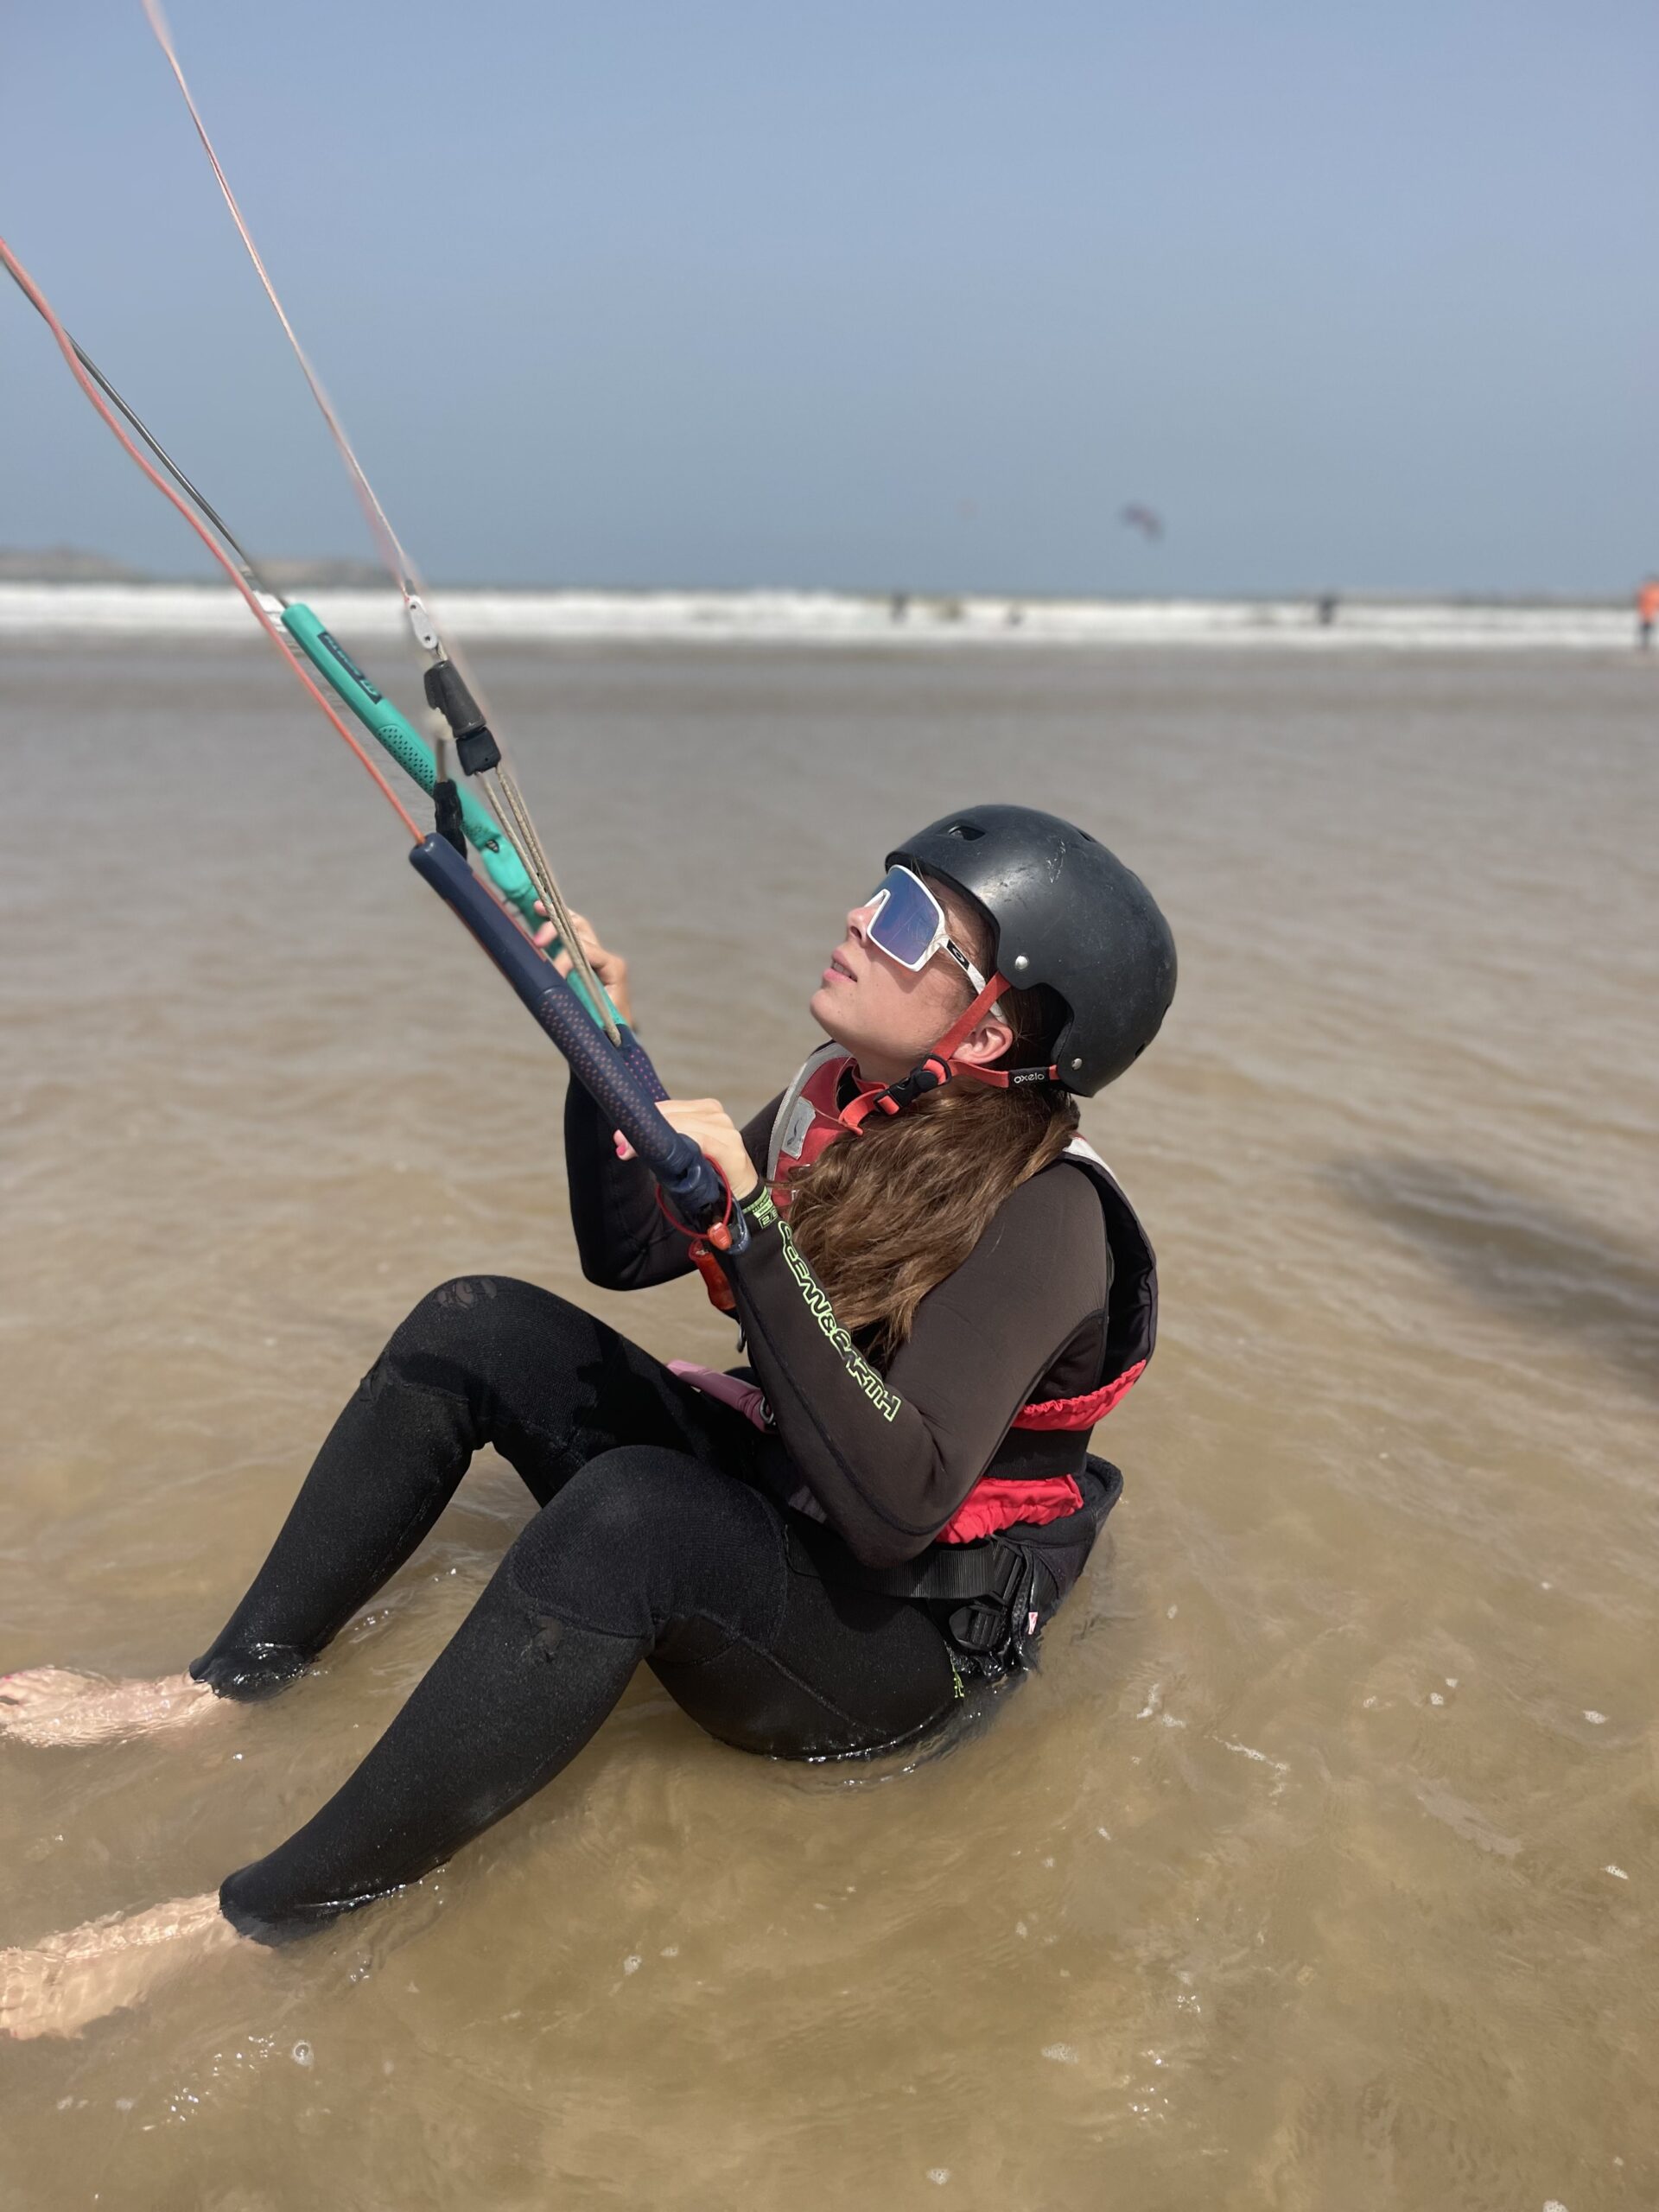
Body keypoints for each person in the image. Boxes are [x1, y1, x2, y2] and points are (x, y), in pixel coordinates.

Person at [1, 804, 1175, 2038]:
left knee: (632, 1518)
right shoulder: (845, 1100)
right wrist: (597, 1042)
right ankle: (222, 1690)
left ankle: (255, 1920)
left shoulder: (1050, 1219)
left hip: (898, 1645)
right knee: (478, 1324)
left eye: (905, 920)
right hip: (805, 1497)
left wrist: (755, 1237)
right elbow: (623, 1254)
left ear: (985, 1024)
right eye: (877, 888)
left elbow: (899, 1510)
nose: (854, 919)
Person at [1637, 576, 1659, 651]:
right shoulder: (1650, 591)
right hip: (1647, 614)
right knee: (1646, 631)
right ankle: (1646, 646)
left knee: (1647, 631)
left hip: (1649, 614)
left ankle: (1646, 646)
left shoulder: (1648, 590)